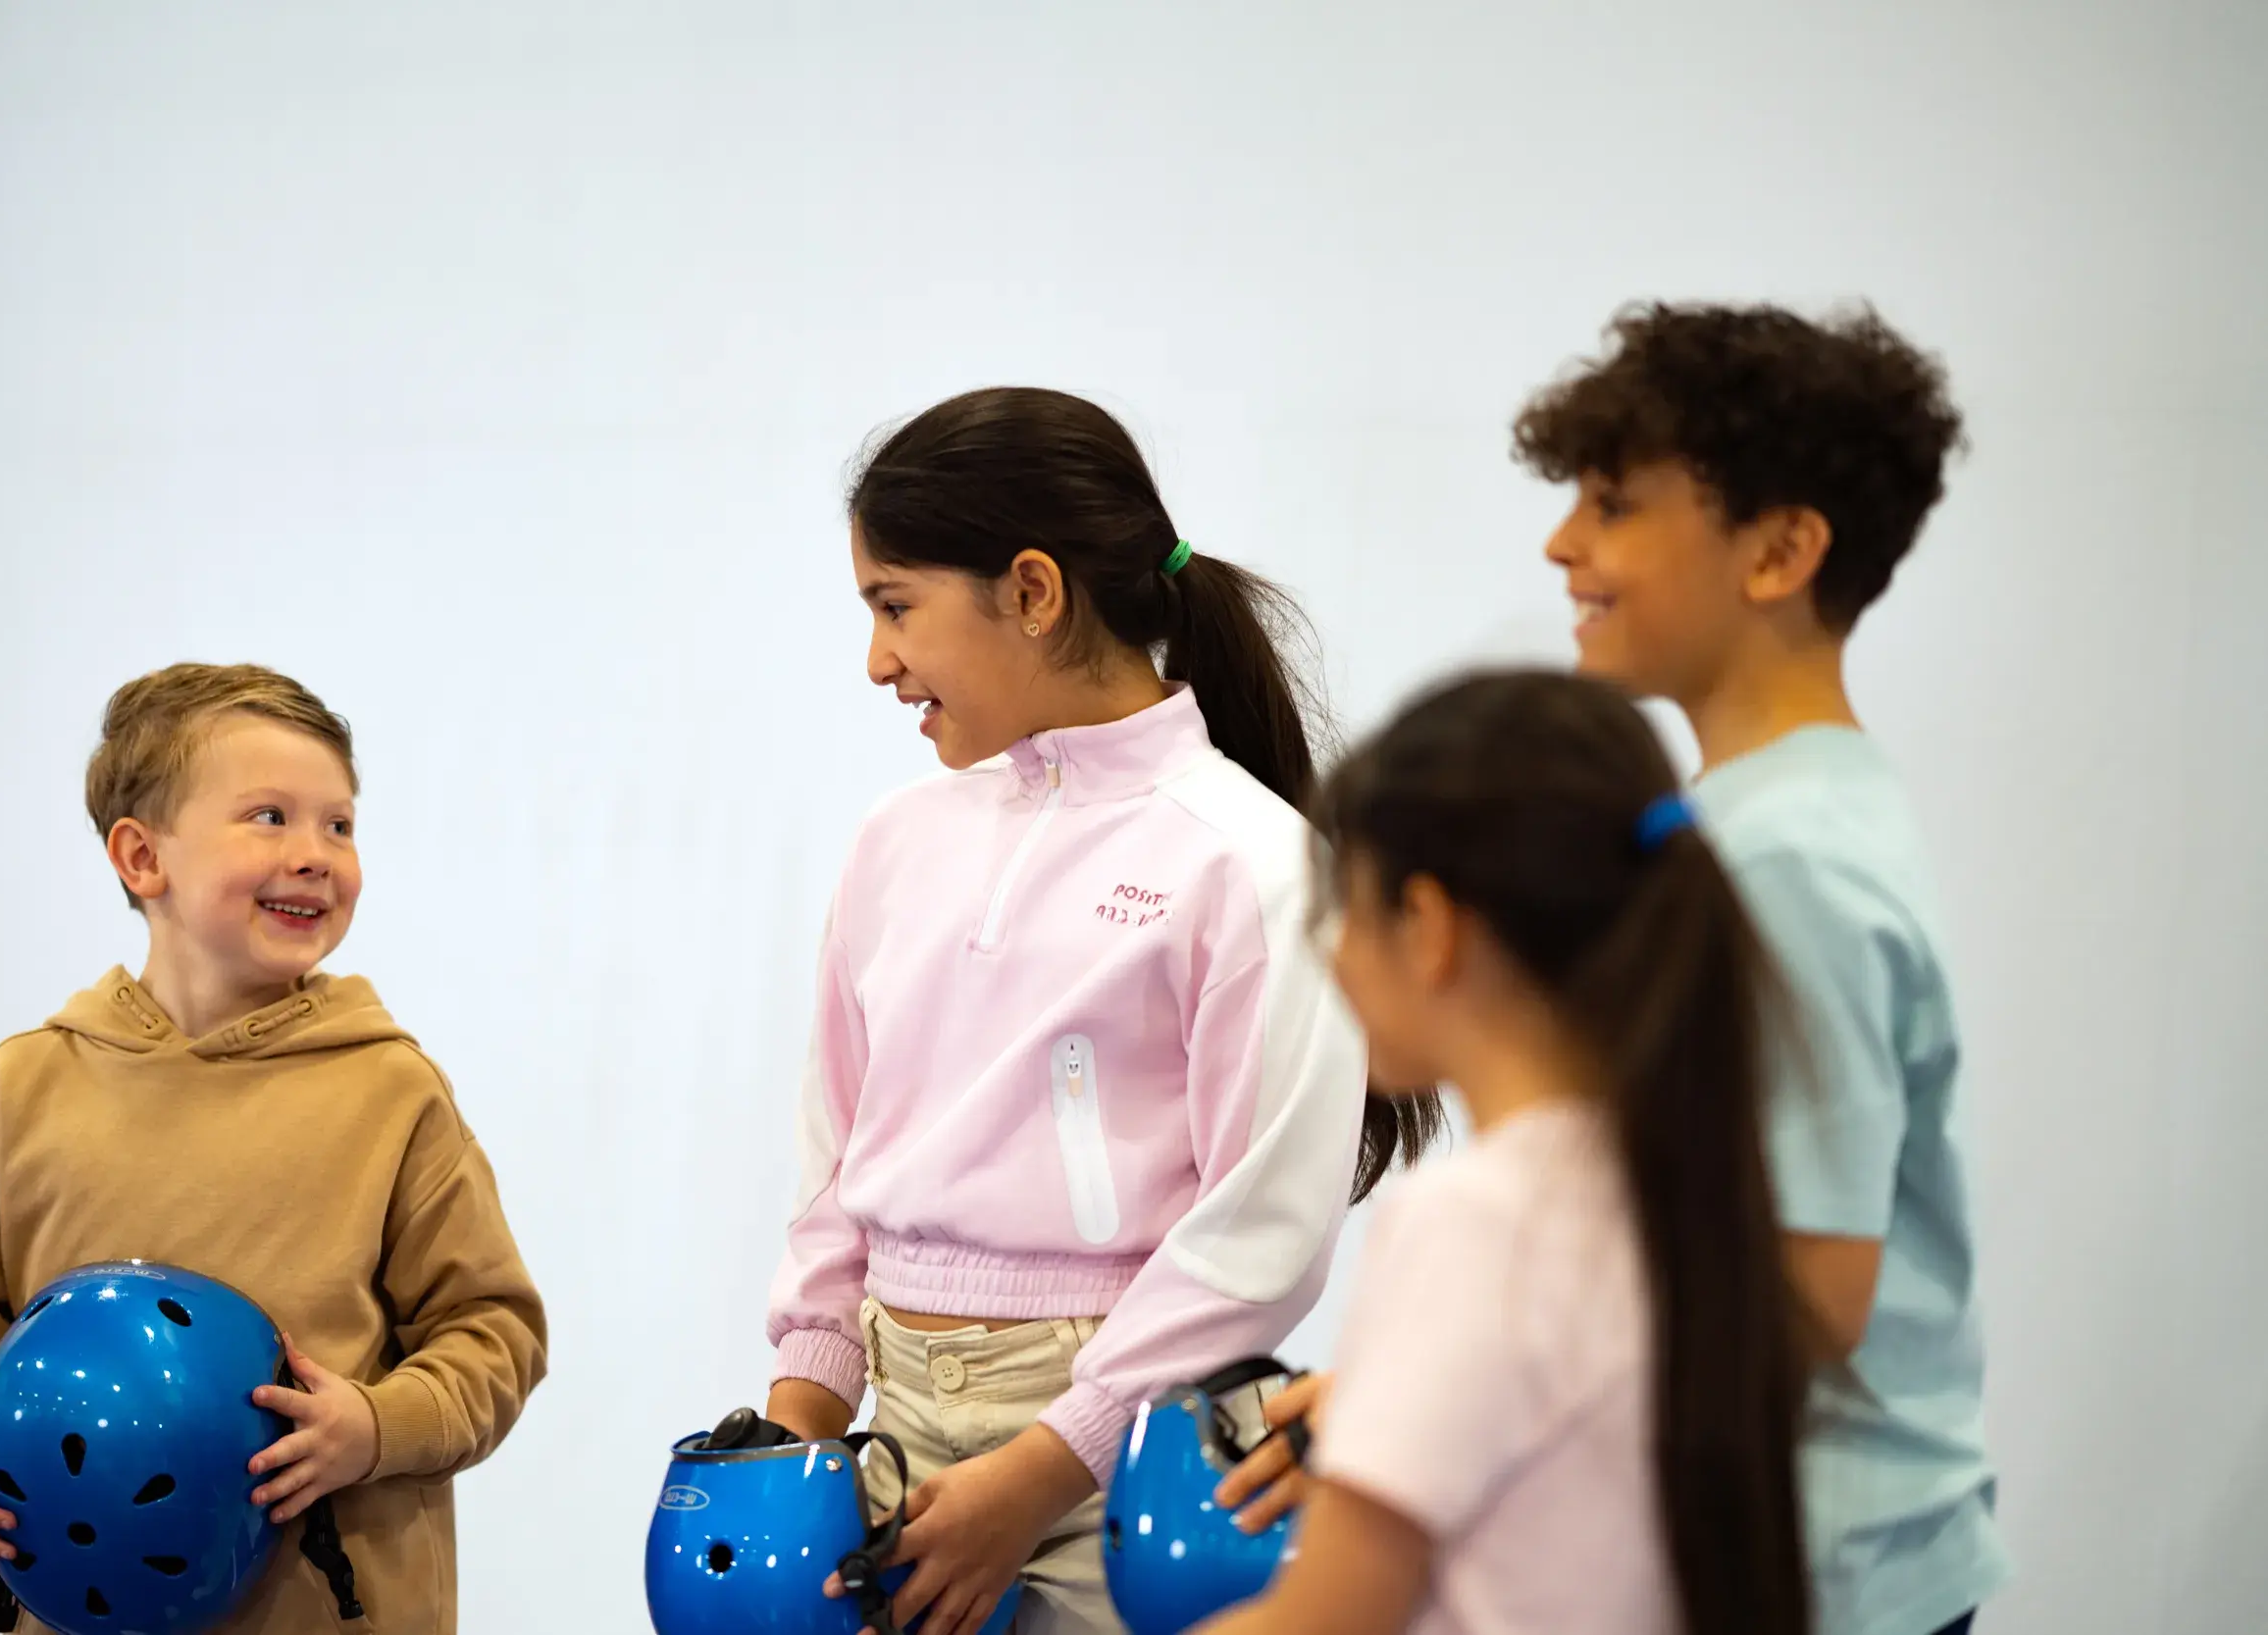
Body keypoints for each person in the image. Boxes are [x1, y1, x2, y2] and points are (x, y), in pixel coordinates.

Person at [762, 387, 1439, 1635]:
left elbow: (1261, 1233)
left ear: (1032, 590)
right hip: (883, 1442)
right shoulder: (895, 841)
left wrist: (1040, 1469)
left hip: (1121, 1461)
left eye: (894, 604)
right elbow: (837, 1153)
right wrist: (794, 1420)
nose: (876, 661)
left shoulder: (1252, 862)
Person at [0, 662, 547, 1635]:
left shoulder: (391, 1091)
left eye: (339, 824)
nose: (315, 853)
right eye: (269, 816)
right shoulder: (21, 1089)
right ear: (143, 858)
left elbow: (494, 1333)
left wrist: (374, 1426)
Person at [1511, 301, 2004, 1635]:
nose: (1564, 544)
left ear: (1782, 550)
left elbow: (1810, 1291)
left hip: (1807, 1571)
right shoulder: (1769, 813)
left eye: (1613, 505)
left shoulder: (1787, 861)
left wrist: (1488, 1396)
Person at [1200, 668, 1812, 1635]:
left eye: (1344, 912)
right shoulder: (1670, 1182)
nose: (1332, 955)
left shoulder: (1472, 1219)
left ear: (1431, 927)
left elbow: (1324, 1618)